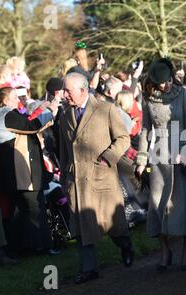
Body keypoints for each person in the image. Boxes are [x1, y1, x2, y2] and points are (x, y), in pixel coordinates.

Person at [59, 72, 134, 284]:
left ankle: (126, 246)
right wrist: (66, 177)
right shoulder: (65, 116)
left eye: (68, 90)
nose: (65, 95)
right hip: (77, 181)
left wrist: (108, 157)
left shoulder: (105, 109)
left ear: (83, 90)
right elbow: (64, 150)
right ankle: (89, 269)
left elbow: (123, 138)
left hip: (101, 177)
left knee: (112, 224)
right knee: (83, 228)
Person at [135, 58, 186, 272]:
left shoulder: (182, 94)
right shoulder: (149, 99)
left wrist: (184, 151)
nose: (167, 84)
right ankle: (165, 249)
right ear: (155, 82)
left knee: (183, 205)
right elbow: (146, 130)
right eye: (163, 82)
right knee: (158, 204)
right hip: (159, 155)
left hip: (182, 153)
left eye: (169, 79)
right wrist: (141, 158)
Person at [0, 87, 58, 255]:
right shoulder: (7, 115)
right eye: (13, 97)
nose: (17, 100)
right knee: (34, 208)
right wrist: (50, 112)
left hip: (15, 173)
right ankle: (40, 247)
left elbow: (29, 121)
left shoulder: (0, 116)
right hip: (21, 172)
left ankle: (22, 248)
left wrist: (44, 111)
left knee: (23, 210)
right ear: (4, 101)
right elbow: (31, 126)